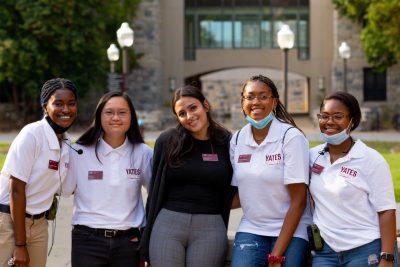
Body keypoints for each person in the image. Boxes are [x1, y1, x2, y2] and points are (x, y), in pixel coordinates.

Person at [140, 85, 235, 267]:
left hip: (210, 227)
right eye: (182, 113)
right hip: (168, 224)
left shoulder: (226, 142)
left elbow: (238, 186)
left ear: (205, 105)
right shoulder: (167, 140)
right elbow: (154, 192)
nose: (189, 116)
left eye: (193, 108)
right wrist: (145, 242)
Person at [61, 91, 152, 267]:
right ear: (99, 116)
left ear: (132, 117)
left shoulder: (143, 153)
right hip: (87, 241)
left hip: (129, 242)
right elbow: (65, 190)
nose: (115, 118)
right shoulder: (79, 151)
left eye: (122, 112)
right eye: (109, 112)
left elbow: (155, 194)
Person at [230, 75, 311, 267]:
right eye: (250, 97)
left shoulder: (291, 138)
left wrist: (276, 255)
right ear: (243, 102)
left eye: (263, 96)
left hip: (292, 228)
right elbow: (239, 194)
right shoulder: (237, 139)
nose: (256, 102)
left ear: (274, 101)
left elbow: (299, 201)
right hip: (252, 227)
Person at [309, 91, 397, 266]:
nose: (329, 122)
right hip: (326, 252)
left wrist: (386, 258)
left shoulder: (370, 159)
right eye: (324, 116)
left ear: (352, 120)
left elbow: (386, 210)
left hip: (365, 249)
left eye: (338, 116)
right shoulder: (312, 156)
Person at [0, 78, 78, 267]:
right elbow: (16, 189)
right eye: (58, 103)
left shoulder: (67, 144)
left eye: (71, 103)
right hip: (9, 221)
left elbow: (66, 189)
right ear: (45, 106)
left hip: (40, 224)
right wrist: (20, 244)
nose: (66, 109)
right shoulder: (32, 134)